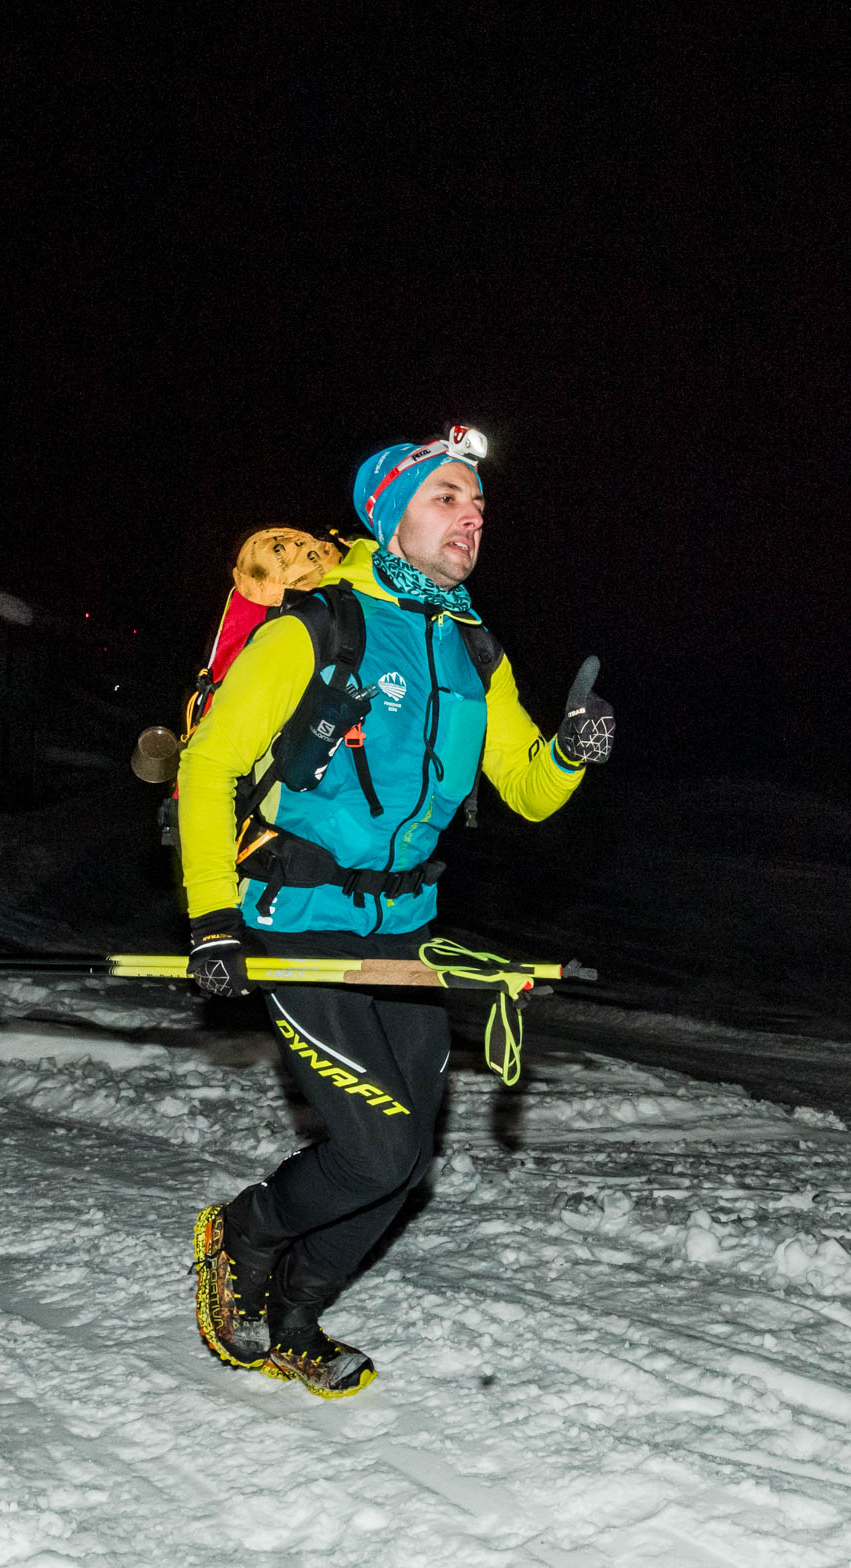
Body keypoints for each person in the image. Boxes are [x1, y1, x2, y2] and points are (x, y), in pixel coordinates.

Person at [177, 426, 614, 1399]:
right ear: (388, 515)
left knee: (403, 1160)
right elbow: (206, 768)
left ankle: (293, 1320)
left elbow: (523, 788)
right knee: (374, 1148)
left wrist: (568, 753)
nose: (471, 517)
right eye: (446, 497)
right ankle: (242, 1234)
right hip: (297, 923)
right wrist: (212, 919)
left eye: (478, 504)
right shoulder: (318, 627)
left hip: (405, 930)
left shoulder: (473, 647)